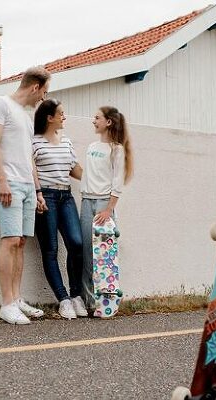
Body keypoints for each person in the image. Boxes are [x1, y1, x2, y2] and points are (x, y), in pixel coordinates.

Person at [0, 66, 51, 325]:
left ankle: (17, 298)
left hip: (26, 185)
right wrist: (2, 180)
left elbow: (28, 157)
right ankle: (7, 304)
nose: (43, 99)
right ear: (35, 87)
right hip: (7, 183)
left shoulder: (26, 115)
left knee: (21, 242)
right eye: (44, 92)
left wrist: (38, 190)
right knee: (10, 240)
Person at [32, 99, 87, 319]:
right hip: (46, 197)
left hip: (66, 196)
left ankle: (76, 296)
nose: (65, 117)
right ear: (49, 117)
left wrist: (99, 180)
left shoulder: (66, 141)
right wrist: (37, 194)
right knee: (50, 249)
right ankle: (63, 299)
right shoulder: (34, 142)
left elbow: (74, 169)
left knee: (76, 243)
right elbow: (31, 169)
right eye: (61, 113)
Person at [80, 106, 133, 309]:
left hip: (104, 204)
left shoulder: (117, 149)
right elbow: (88, 175)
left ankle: (107, 301)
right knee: (86, 253)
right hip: (86, 202)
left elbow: (117, 182)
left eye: (97, 118)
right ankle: (89, 302)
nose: (94, 121)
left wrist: (109, 209)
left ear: (108, 122)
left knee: (104, 256)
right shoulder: (92, 146)